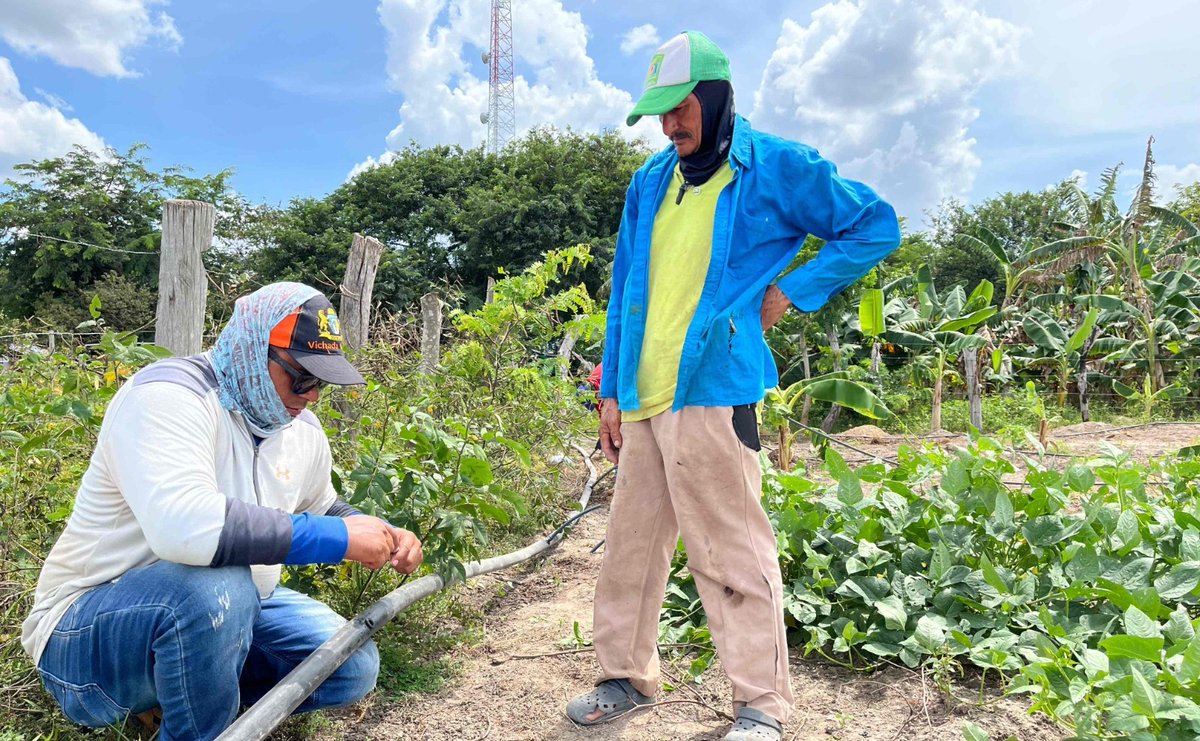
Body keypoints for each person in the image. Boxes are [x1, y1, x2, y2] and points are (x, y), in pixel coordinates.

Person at [565, 31, 900, 740]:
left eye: (682, 108)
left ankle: (762, 705)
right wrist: (610, 389)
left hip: (714, 389)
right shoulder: (650, 181)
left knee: (732, 551)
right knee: (630, 547)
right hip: (645, 393)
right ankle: (624, 675)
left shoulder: (775, 167)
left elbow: (874, 225)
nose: (670, 125)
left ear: (716, 99)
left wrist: (794, 290)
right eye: (661, 113)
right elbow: (626, 285)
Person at [21, 283, 424, 740]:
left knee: (348, 663)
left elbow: (323, 505)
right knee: (217, 584)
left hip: (225, 609)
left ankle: (187, 699)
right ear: (254, 349)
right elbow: (185, 529)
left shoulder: (299, 428)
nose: (312, 396)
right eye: (303, 377)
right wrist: (339, 539)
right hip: (85, 632)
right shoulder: (169, 397)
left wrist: (378, 530)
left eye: (321, 383)